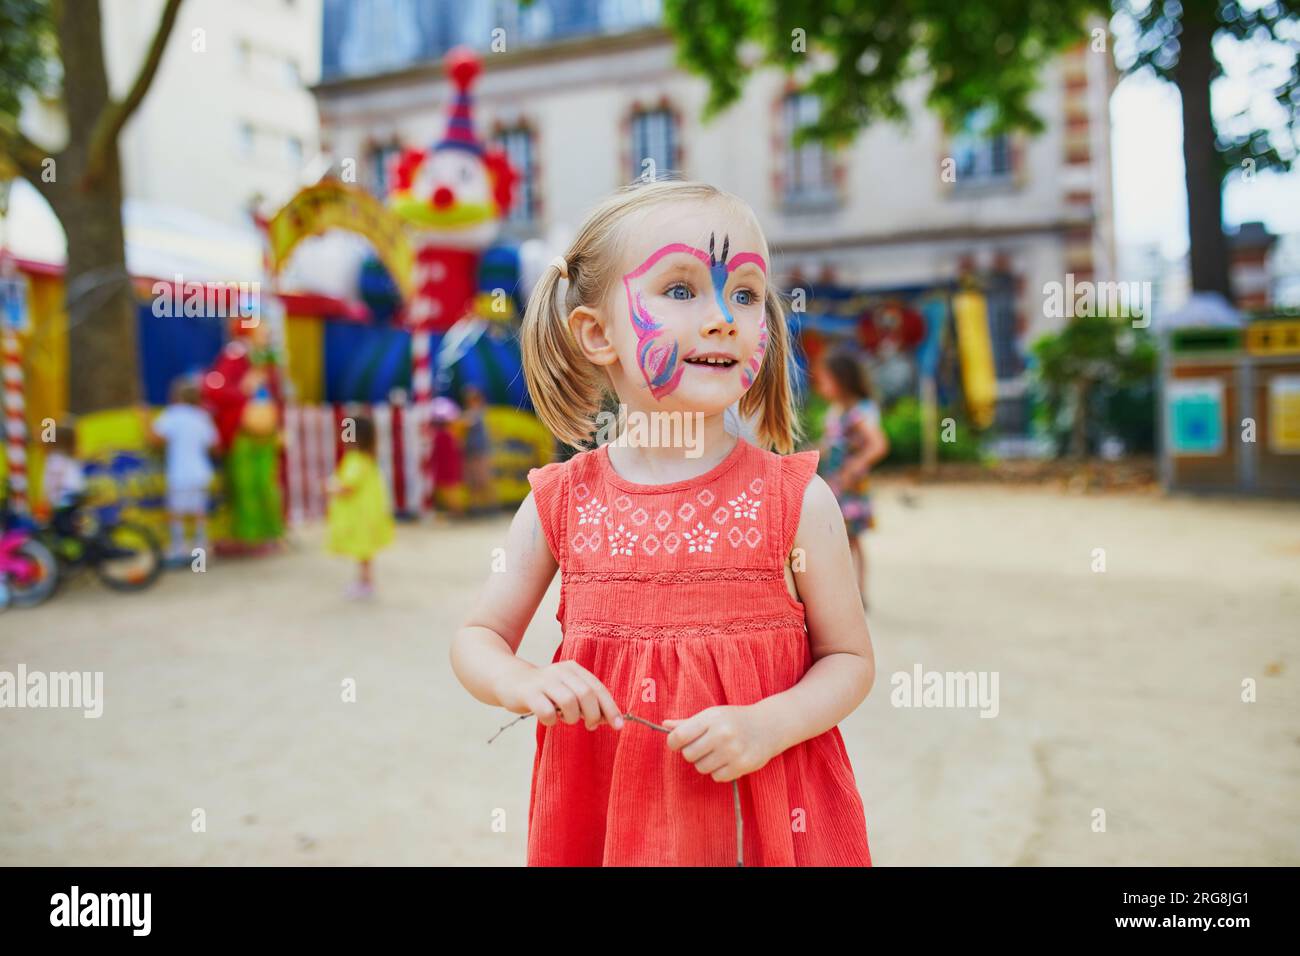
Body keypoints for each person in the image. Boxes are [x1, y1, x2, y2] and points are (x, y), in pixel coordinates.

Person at [450, 179, 875, 866]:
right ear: (595, 333)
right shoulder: (559, 502)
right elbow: (477, 638)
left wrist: (767, 725)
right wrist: (521, 682)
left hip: (763, 827)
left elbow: (849, 662)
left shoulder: (798, 501)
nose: (722, 317)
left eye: (743, 293)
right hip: (613, 831)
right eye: (681, 291)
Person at [810, 349, 891, 609]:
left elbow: (878, 444)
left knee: (850, 539)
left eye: (825, 381)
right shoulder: (837, 411)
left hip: (850, 487)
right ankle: (847, 590)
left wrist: (856, 465)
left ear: (841, 380)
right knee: (839, 537)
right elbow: (833, 443)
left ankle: (857, 591)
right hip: (836, 485)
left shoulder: (859, 413)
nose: (821, 387)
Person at [150, 377, 218, 566]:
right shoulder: (202, 416)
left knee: (177, 514)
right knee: (199, 513)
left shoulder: (172, 414)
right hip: (201, 472)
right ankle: (200, 554)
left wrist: (144, 419)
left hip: (180, 473)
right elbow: (213, 444)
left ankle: (178, 550)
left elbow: (155, 438)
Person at [326, 414, 394, 599]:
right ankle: (364, 581)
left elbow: (347, 486)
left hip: (360, 514)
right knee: (364, 552)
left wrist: (330, 487)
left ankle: (365, 583)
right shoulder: (366, 458)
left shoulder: (355, 459)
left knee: (363, 551)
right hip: (366, 512)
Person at [41, 422, 85, 538]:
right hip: (64, 501)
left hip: (66, 500)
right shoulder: (57, 460)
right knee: (66, 528)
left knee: (69, 527)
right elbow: (55, 483)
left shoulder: (61, 459)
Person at [460, 384, 496, 515]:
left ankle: (491, 507)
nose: (471, 400)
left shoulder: (479, 412)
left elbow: (469, 421)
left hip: (480, 452)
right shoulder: (472, 412)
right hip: (472, 451)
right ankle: (476, 507)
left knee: (483, 480)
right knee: (473, 482)